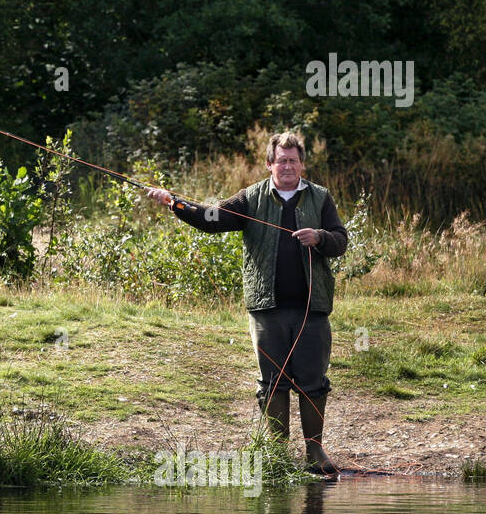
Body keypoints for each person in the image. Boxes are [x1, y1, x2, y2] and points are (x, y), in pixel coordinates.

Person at [146, 132, 348, 474]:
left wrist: (320, 237)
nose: (287, 166)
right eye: (281, 160)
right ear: (269, 164)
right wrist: (175, 203)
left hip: (312, 308)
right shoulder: (250, 197)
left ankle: (315, 453)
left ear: (302, 164)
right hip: (266, 307)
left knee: (313, 381)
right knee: (273, 381)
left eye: (293, 160)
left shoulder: (321, 198)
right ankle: (278, 456)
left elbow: (341, 241)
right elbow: (211, 219)